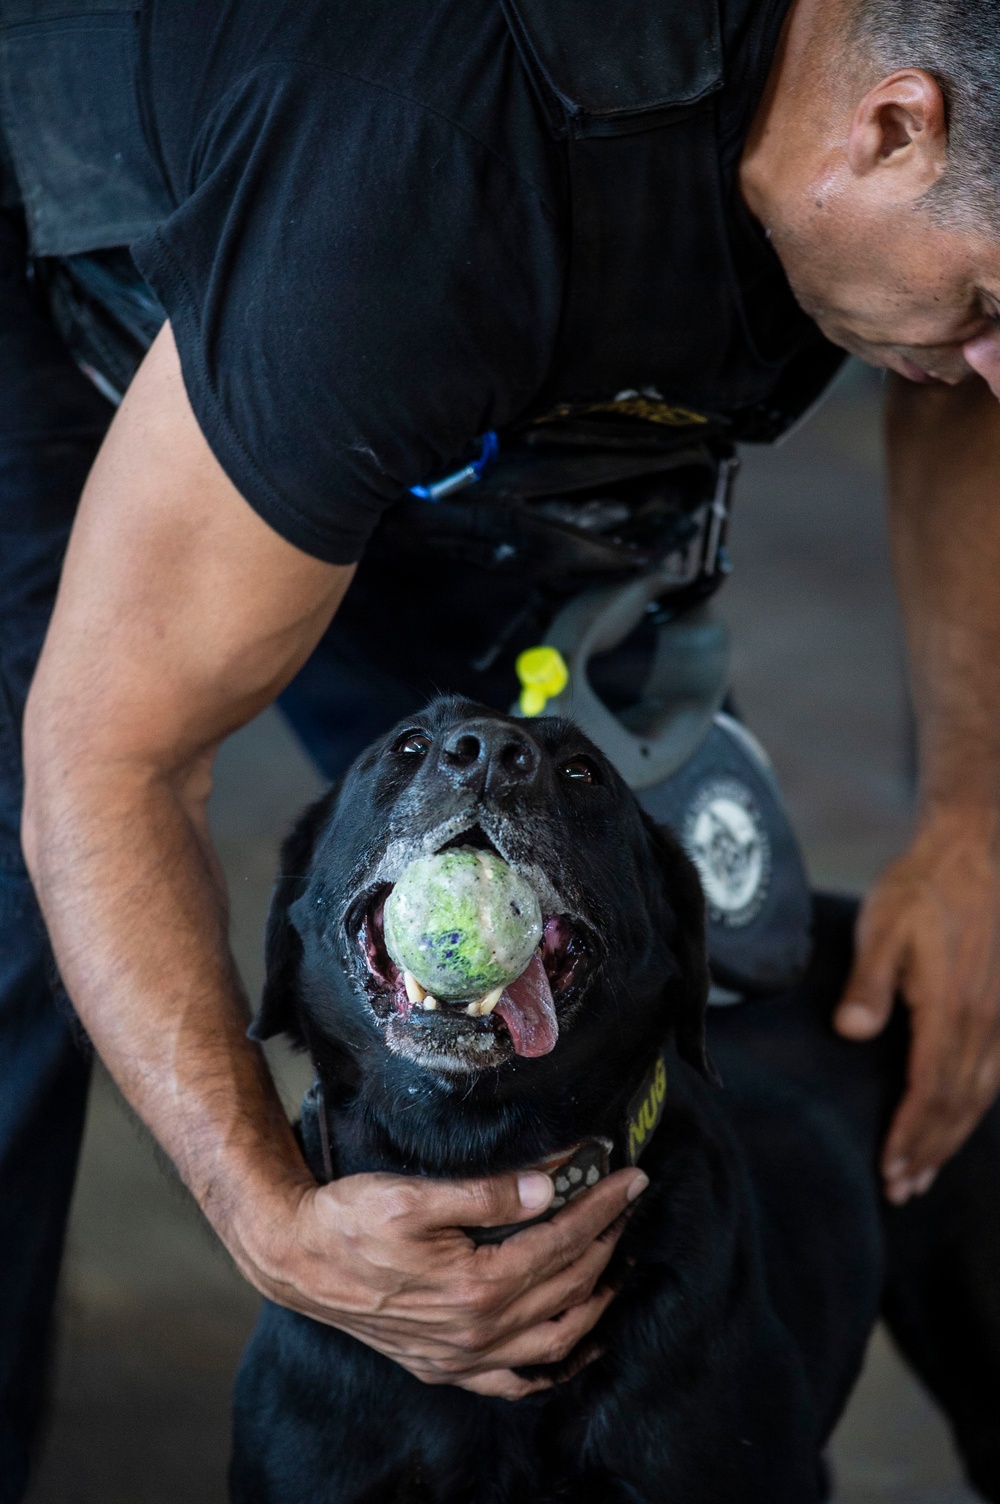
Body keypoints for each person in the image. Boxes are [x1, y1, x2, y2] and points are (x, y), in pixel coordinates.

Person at [3, 0, 1000, 1494]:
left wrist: (975, 822)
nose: (993, 361)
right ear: (891, 125)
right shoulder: (420, 187)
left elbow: (973, 401)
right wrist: (272, 1220)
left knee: (614, 906)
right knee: (29, 955)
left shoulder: (910, 142)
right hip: (112, 315)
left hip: (483, 404)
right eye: (989, 308)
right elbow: (110, 761)